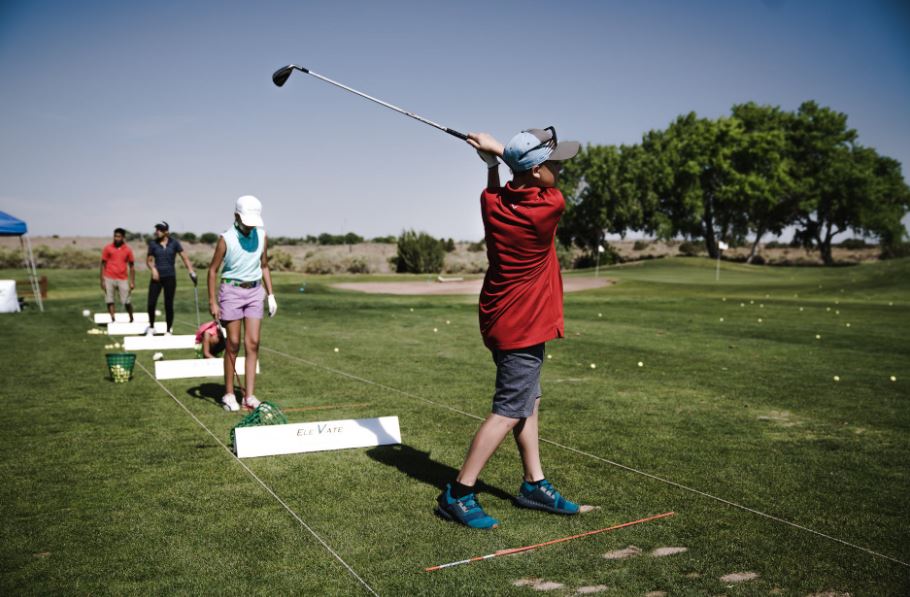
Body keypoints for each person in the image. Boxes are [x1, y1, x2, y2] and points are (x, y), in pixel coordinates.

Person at [436, 127, 582, 529]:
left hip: (501, 319)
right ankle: (459, 491)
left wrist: (491, 166)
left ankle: (534, 482)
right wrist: (496, 151)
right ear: (534, 172)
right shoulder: (549, 207)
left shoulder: (492, 202)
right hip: (523, 325)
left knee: (527, 402)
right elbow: (527, 178)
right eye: (552, 165)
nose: (558, 170)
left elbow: (498, 190)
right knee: (507, 410)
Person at [207, 195, 277, 411]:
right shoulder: (226, 239)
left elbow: (263, 265)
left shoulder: (262, 236)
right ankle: (229, 394)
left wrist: (271, 294)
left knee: (253, 342)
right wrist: (213, 302)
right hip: (231, 292)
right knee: (233, 343)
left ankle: (249, 396)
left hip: (255, 291)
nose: (250, 227)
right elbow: (212, 271)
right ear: (236, 216)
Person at [146, 221, 196, 335]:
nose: (157, 231)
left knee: (168, 304)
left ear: (166, 231)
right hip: (156, 278)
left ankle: (168, 330)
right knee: (151, 303)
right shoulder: (153, 244)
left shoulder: (174, 243)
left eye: (160, 229)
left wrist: (191, 271)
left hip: (170, 277)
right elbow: (148, 261)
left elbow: (184, 257)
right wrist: (153, 269)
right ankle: (152, 326)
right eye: (157, 229)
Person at [100, 228, 136, 322]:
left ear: (123, 237)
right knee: (109, 300)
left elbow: (132, 267)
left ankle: (131, 318)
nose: (116, 238)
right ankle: (113, 319)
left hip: (122, 278)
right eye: (115, 236)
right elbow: (103, 265)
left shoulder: (127, 250)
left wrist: (132, 282)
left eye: (119, 236)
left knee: (126, 301)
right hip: (108, 277)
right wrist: (102, 280)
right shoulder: (108, 248)